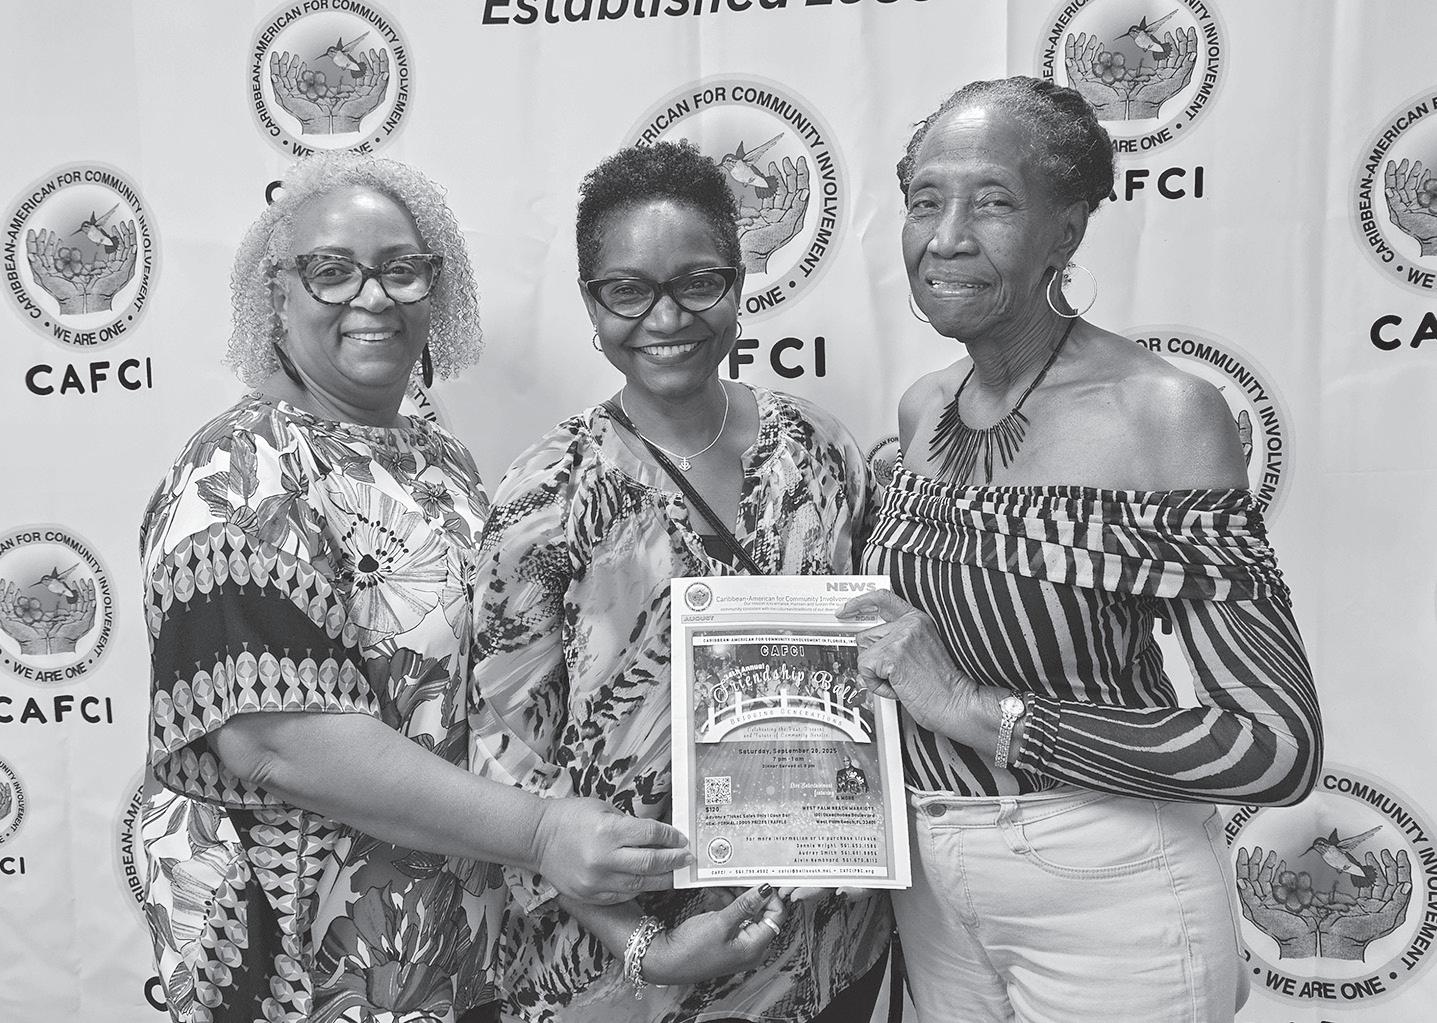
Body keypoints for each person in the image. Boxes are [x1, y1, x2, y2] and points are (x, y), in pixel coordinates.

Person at [138, 153, 691, 1023]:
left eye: (402, 269)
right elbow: (280, 744)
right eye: (331, 270)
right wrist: (543, 832)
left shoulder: (434, 455)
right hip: (311, 967)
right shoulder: (235, 475)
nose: (374, 296)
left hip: (450, 951)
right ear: (275, 295)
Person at [838, 77, 1323, 1022]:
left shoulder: (1161, 414)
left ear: (1065, 230)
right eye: (925, 202)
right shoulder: (923, 408)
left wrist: (975, 711)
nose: (946, 238)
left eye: (992, 203)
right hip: (930, 885)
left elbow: (1273, 748)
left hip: (1106, 884)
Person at [469, 141, 891, 1023]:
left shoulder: (820, 449)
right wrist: (644, 948)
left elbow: (872, 670)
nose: (666, 316)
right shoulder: (547, 492)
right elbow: (509, 763)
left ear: (739, 284)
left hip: (825, 950)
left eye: (699, 282)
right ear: (591, 304)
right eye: (627, 290)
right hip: (629, 973)